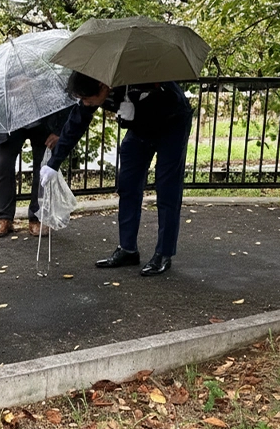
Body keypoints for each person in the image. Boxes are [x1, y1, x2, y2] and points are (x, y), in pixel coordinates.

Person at [40, 71, 192, 276]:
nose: (85, 103)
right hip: (139, 130)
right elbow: (76, 123)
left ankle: (164, 254)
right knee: (127, 185)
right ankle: (128, 249)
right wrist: (53, 163)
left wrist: (140, 100)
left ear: (103, 87)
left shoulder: (143, 74)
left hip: (172, 123)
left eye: (87, 98)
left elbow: (170, 99)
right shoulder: (97, 79)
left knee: (167, 190)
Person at [0, 107, 70, 237]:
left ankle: (37, 217)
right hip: (10, 123)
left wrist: (58, 131)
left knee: (43, 169)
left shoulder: (41, 86)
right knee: (3, 165)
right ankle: (5, 218)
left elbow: (64, 100)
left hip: (42, 120)